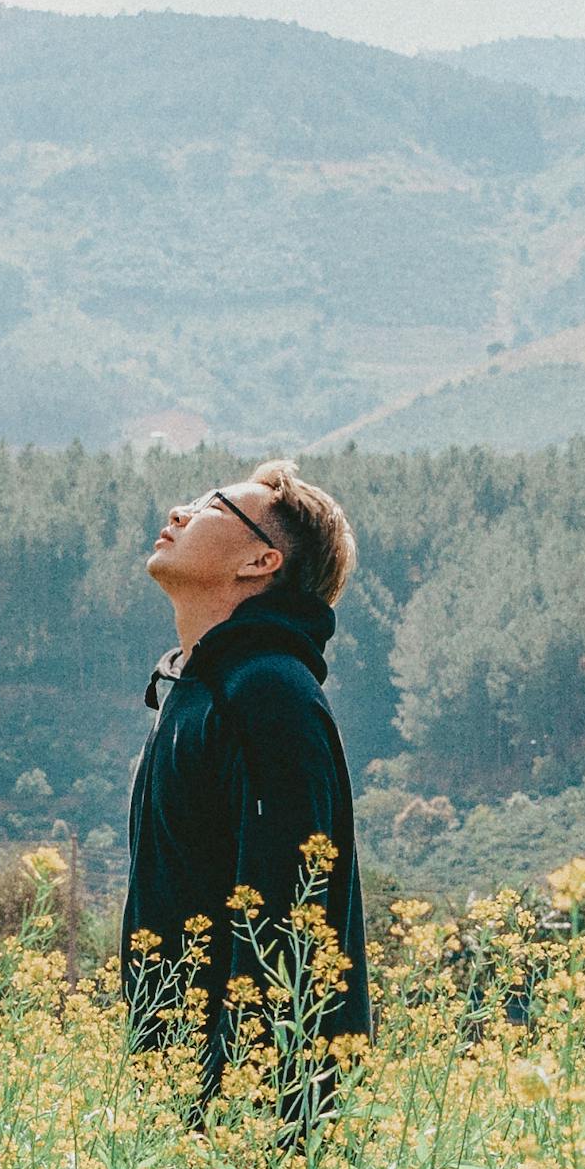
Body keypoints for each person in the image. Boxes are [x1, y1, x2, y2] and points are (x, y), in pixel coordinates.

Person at [123, 460, 371, 1122]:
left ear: (261, 562)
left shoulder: (267, 696)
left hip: (246, 1125)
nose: (177, 512)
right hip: (180, 1100)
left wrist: (249, 1122)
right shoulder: (197, 689)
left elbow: (287, 925)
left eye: (209, 508)